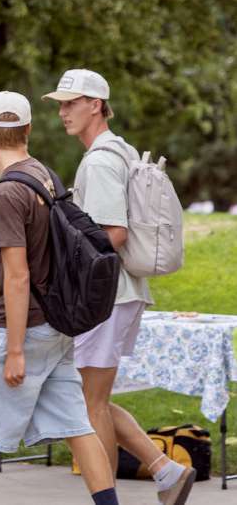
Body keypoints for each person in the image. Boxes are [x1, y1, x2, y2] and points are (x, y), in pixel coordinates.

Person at [0, 91, 120, 505]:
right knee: (77, 424)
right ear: (29, 129)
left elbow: (18, 277)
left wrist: (14, 349)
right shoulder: (45, 176)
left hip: (23, 330)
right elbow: (31, 270)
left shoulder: (5, 195)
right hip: (56, 326)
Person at [45, 70, 195, 504]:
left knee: (86, 403)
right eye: (60, 103)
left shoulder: (100, 160)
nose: (62, 111)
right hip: (123, 293)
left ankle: (106, 498)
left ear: (96, 104)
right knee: (92, 397)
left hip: (104, 297)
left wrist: (62, 265)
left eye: (71, 102)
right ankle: (166, 472)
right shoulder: (122, 150)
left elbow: (113, 233)